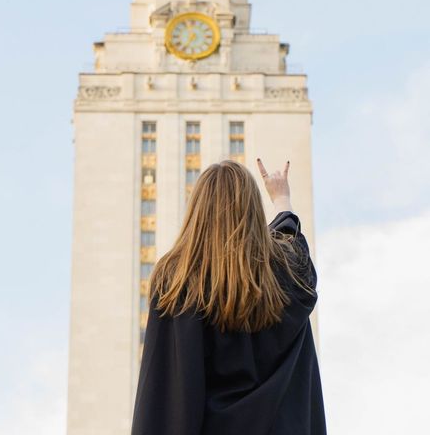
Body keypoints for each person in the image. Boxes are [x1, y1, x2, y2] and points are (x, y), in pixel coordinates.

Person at [131, 158, 327, 435]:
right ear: (253, 211)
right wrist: (282, 199)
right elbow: (292, 242)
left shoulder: (177, 279)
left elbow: (165, 393)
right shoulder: (289, 275)